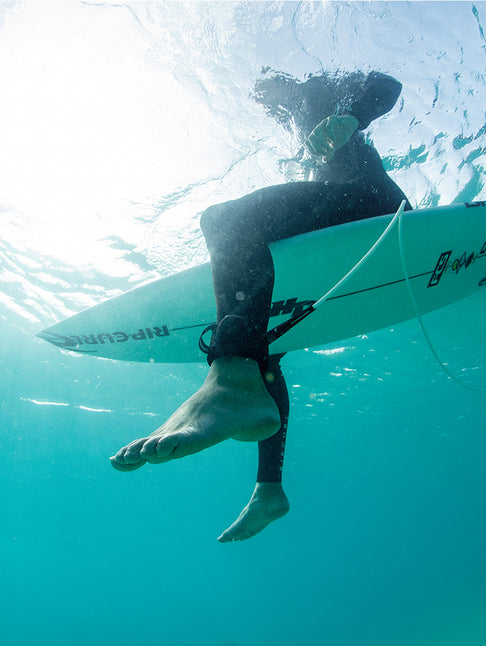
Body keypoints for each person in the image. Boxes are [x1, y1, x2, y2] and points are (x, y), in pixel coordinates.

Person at [110, 70, 412, 542]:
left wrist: (353, 114)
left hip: (376, 205)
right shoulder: (296, 122)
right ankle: (269, 490)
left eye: (269, 90)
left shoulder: (327, 89)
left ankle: (229, 379)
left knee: (228, 220)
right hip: (333, 236)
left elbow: (387, 85)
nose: (268, 101)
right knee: (262, 348)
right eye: (264, 97)